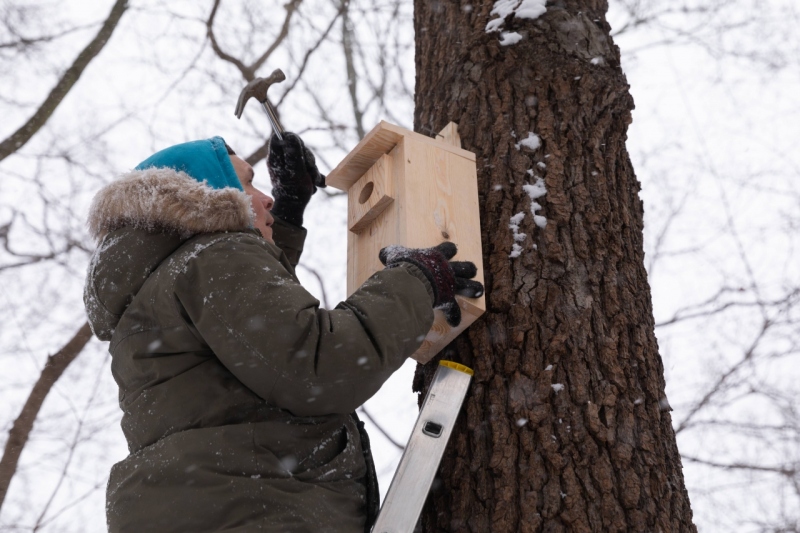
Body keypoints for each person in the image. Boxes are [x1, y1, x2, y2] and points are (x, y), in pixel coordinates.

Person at [84, 133, 483, 532]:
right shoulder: (211, 258)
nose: (266, 197)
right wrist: (416, 282)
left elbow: (254, 337)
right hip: (260, 510)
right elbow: (321, 366)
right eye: (247, 183)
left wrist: (288, 215)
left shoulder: (155, 293)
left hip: (218, 507)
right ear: (204, 198)